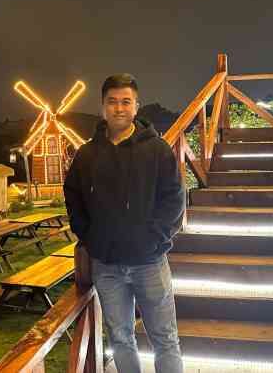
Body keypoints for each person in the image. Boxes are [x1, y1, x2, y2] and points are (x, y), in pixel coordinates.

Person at [64, 73, 185, 373]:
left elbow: (174, 198)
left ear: (136, 106)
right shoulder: (87, 154)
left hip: (150, 263)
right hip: (107, 266)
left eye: (126, 102)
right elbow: (73, 196)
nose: (119, 108)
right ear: (103, 106)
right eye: (112, 101)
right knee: (120, 338)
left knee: (165, 339)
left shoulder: (157, 150)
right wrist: (90, 237)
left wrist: (155, 238)